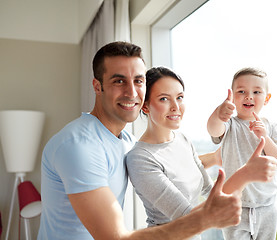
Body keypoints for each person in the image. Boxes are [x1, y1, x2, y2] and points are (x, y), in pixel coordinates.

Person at [37, 41, 243, 240]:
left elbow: (164, 166)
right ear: (97, 86)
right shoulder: (79, 147)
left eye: (138, 81)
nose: (132, 92)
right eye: (119, 81)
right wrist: (206, 219)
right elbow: (113, 238)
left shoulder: (125, 139)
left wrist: (216, 157)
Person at [125, 67, 277, 239]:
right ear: (145, 106)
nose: (176, 107)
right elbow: (189, 217)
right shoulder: (140, 158)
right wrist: (245, 174)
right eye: (164, 99)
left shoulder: (182, 140)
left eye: (180, 97)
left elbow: (209, 190)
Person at [207, 67, 277, 240]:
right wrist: (219, 114)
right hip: (234, 205)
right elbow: (213, 129)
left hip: (267, 207)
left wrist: (265, 137)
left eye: (256, 92)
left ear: (266, 99)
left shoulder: (271, 126)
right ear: (233, 97)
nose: (249, 96)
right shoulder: (229, 125)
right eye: (241, 91)